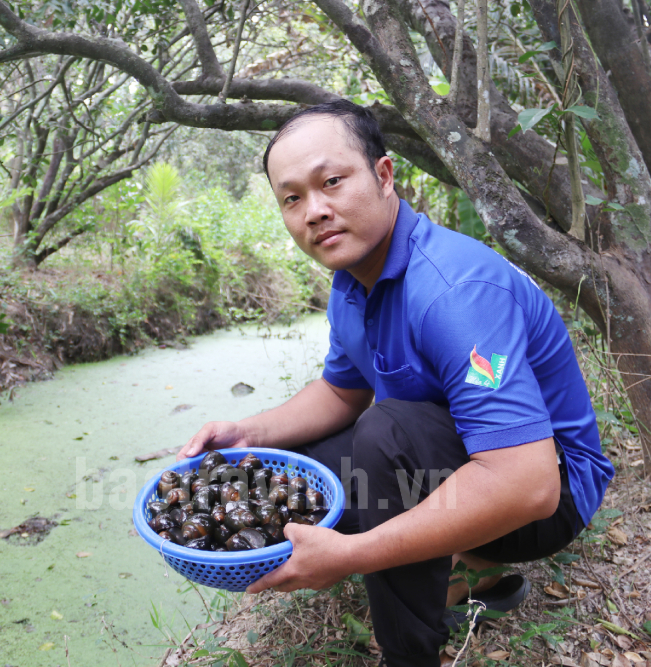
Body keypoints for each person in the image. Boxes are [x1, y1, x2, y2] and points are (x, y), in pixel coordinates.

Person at [177, 100, 614, 666]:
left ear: (384, 176)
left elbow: (529, 485)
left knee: (386, 435)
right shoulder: (351, 282)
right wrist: (249, 432)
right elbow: (341, 392)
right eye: (292, 198)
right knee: (295, 462)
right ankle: (473, 575)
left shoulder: (455, 293)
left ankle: (409, 653)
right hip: (466, 455)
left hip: (548, 495)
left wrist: (354, 554)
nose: (314, 211)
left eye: (331, 181)